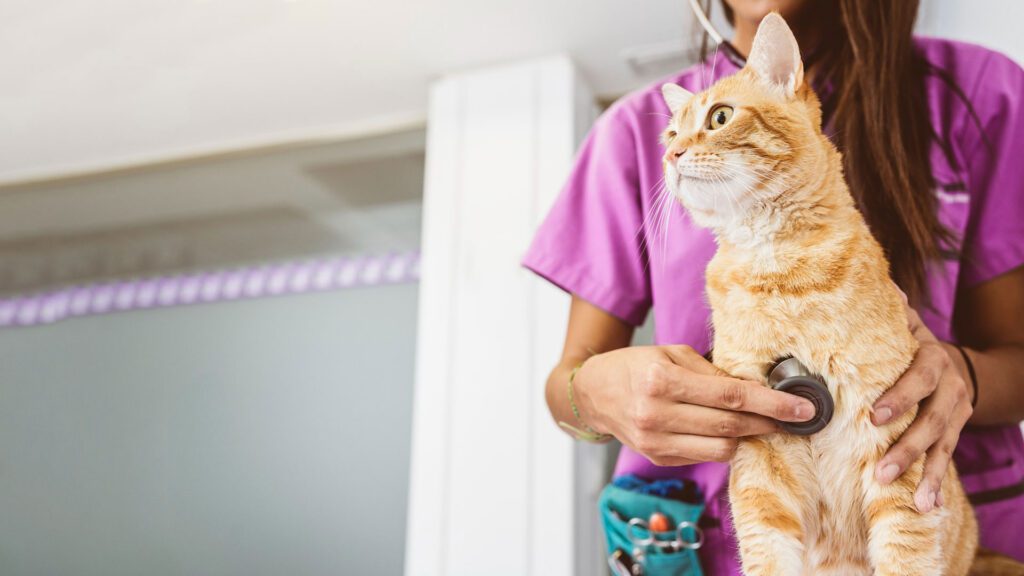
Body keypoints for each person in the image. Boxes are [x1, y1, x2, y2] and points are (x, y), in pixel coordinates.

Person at [523, 0, 1024, 571]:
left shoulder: (976, 91)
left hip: (928, 528)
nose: (682, 144)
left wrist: (961, 374)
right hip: (714, 539)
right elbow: (565, 385)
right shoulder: (634, 132)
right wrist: (593, 395)